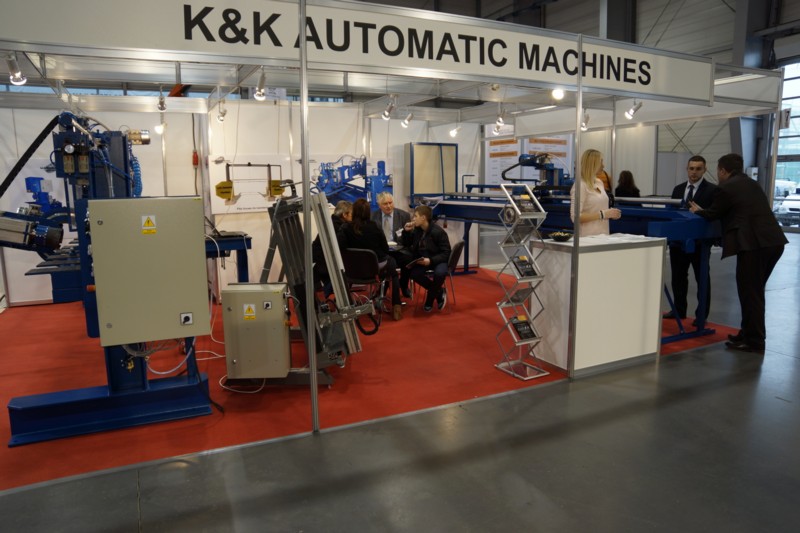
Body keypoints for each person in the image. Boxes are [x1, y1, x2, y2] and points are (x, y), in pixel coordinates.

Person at [689, 153, 787, 353]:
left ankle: (755, 341)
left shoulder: (726, 187)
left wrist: (698, 211)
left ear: (723, 171)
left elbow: (714, 213)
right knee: (754, 291)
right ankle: (747, 333)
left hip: (754, 245)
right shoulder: (751, 183)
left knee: (750, 293)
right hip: (773, 242)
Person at [664, 155, 716, 323]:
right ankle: (679, 310)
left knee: (702, 279)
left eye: (698, 169)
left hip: (700, 243)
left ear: (704, 170)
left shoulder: (712, 191)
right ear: (687, 169)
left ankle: (701, 315)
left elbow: (714, 215)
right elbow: (671, 213)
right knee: (678, 278)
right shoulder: (678, 189)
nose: (694, 172)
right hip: (678, 242)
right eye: (691, 168)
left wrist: (702, 212)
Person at [340, 198, 404, 321]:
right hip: (375, 269)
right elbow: (385, 249)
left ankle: (347, 304)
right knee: (393, 269)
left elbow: (341, 248)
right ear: (368, 212)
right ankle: (396, 305)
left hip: (352, 270)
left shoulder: (345, 228)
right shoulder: (375, 226)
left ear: (354, 212)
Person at [400, 205, 451, 312]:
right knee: (414, 274)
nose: (413, 219)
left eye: (415, 216)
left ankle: (430, 299)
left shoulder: (438, 232)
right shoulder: (417, 230)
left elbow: (446, 253)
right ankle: (439, 292)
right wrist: (406, 232)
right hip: (423, 259)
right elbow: (407, 244)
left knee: (440, 273)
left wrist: (431, 261)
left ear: (423, 218)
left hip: (438, 260)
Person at [570, 149, 621, 236]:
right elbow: (575, 217)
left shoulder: (599, 182)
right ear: (592, 164)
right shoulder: (580, 185)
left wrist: (611, 214)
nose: (603, 165)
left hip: (603, 236)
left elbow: (601, 210)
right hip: (587, 238)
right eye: (601, 162)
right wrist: (603, 214)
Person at [371, 191, 413, 297]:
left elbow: (408, 239)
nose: (389, 206)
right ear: (379, 205)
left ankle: (403, 285)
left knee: (409, 259)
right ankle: (382, 289)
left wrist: (407, 232)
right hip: (382, 251)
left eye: (390, 203)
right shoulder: (373, 217)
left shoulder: (404, 215)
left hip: (399, 250)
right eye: (385, 204)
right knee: (389, 263)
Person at [312, 200, 352, 297]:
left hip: (320, 261)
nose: (353, 217)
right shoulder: (340, 228)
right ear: (344, 215)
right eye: (352, 214)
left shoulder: (330, 223)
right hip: (327, 265)